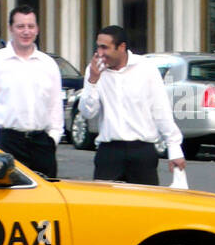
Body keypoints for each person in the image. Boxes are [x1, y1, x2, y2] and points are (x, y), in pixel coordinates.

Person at [79, 25, 186, 185]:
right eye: (98, 47)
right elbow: (88, 112)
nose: (99, 53)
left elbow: (160, 109)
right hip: (109, 152)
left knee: (145, 206)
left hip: (142, 151)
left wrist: (174, 148)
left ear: (121, 47)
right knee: (105, 208)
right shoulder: (94, 70)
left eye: (104, 47)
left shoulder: (146, 68)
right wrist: (93, 80)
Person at [0, 5, 63, 178]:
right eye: (20, 26)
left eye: (30, 26)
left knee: (46, 200)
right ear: (11, 29)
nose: (26, 31)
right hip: (7, 142)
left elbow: (55, 105)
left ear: (37, 29)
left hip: (41, 143)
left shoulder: (48, 64)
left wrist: (52, 139)